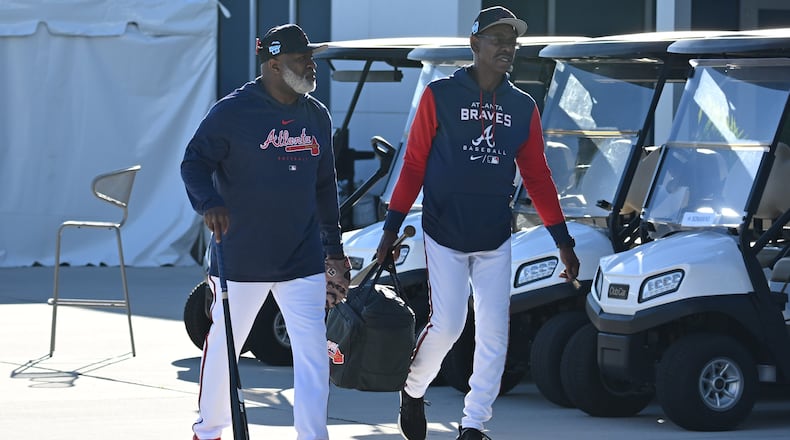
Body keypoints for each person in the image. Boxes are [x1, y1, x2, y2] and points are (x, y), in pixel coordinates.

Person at [375, 6, 580, 440]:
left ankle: (473, 424)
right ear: (475, 45)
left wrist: (563, 241)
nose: (508, 47)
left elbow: (538, 177)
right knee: (448, 324)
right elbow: (412, 165)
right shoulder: (440, 95)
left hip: (494, 235)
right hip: (443, 230)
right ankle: (412, 390)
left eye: (513, 41)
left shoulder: (523, 106)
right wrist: (390, 229)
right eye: (498, 39)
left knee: (494, 333)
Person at [181, 24, 350, 440]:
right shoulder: (234, 112)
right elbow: (194, 163)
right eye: (300, 59)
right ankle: (209, 431)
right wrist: (210, 203)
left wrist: (334, 250)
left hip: (302, 257)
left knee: (313, 355)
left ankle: (313, 435)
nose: (311, 66)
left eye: (310, 57)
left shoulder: (316, 115)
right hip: (241, 257)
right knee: (225, 348)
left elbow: (325, 187)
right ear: (274, 65)